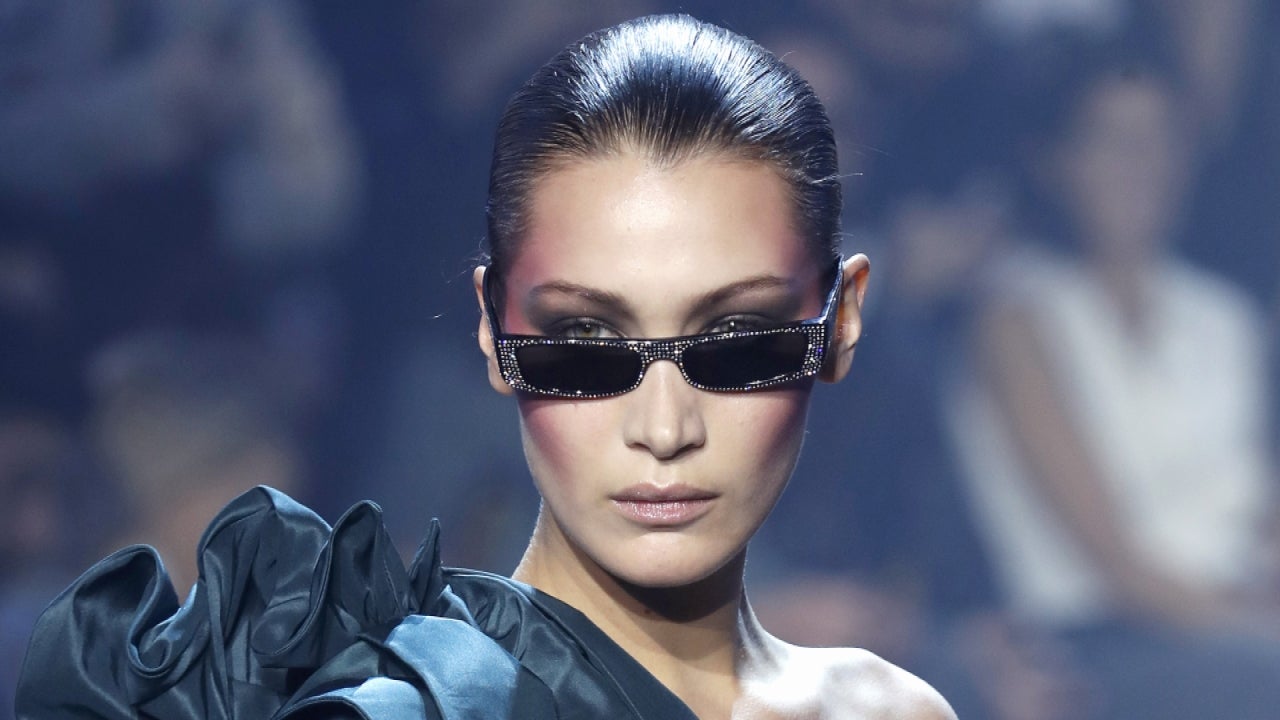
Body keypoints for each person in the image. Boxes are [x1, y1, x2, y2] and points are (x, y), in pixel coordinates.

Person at [16, 14, 955, 719]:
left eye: (738, 341)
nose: (665, 428)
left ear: (841, 322)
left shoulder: (890, 707)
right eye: (583, 344)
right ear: (492, 332)